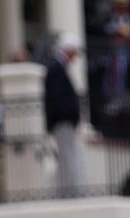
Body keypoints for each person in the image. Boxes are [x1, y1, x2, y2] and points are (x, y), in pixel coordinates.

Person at [46, 31, 86, 198]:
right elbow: (57, 97)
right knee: (68, 156)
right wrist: (68, 115)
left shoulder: (57, 67)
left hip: (62, 121)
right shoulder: (56, 68)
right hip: (62, 121)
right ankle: (74, 191)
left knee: (65, 156)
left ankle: (62, 191)